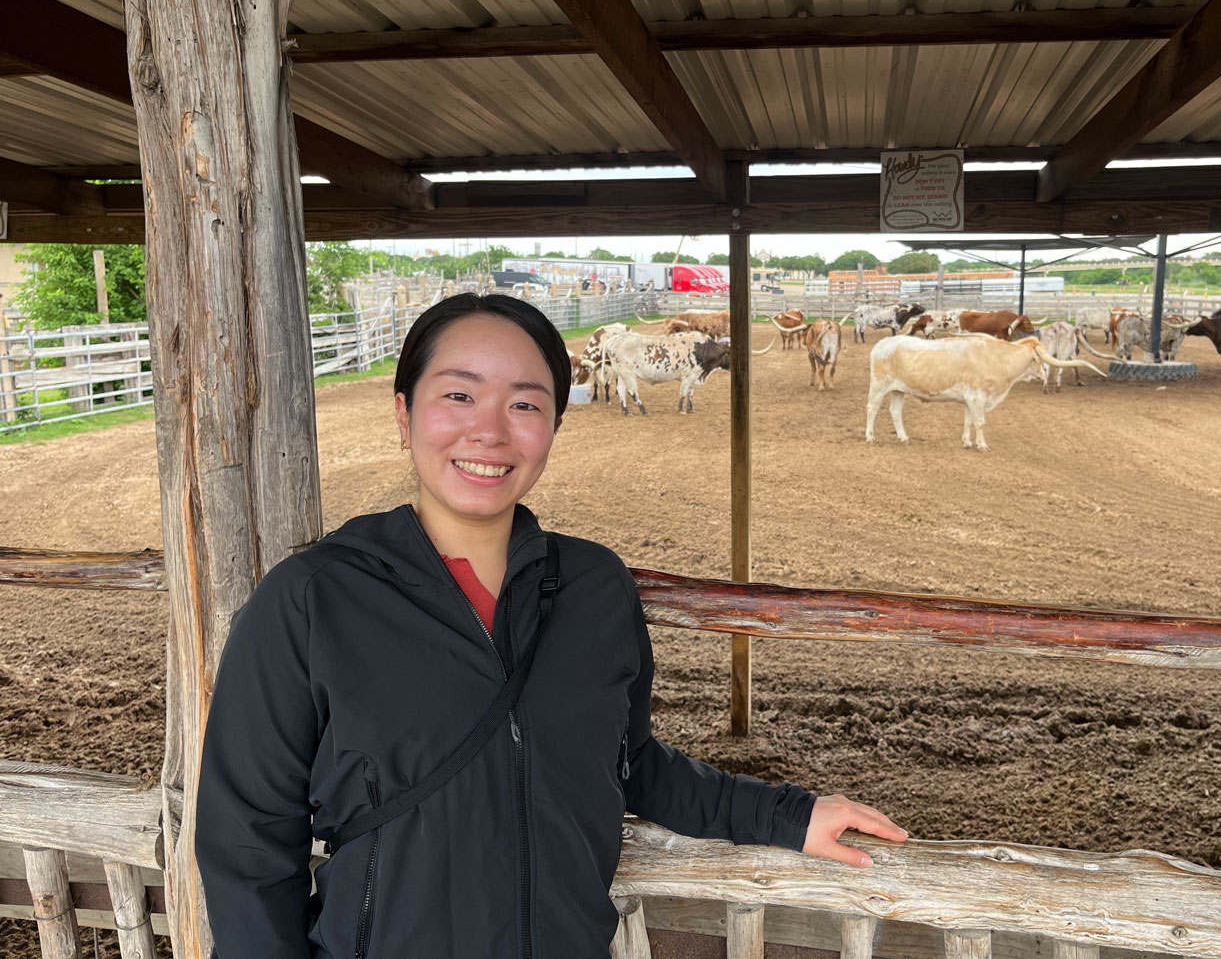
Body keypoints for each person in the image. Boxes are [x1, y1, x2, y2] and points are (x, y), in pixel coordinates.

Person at [194, 293, 906, 959]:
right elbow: (248, 840)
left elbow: (625, 764)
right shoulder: (314, 599)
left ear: (555, 426)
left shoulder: (594, 587)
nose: (490, 430)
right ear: (405, 413)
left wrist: (789, 815)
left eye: (526, 404)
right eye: (459, 394)